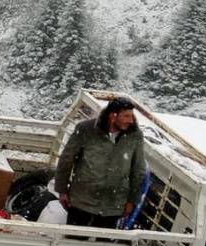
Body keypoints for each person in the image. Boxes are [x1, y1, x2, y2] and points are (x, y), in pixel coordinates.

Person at [54, 95, 146, 230]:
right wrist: (62, 190)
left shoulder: (135, 136)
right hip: (82, 201)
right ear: (113, 116)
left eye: (131, 116)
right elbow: (67, 160)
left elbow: (138, 171)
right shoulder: (86, 129)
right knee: (74, 243)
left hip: (113, 206)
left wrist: (132, 201)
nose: (131, 121)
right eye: (126, 116)